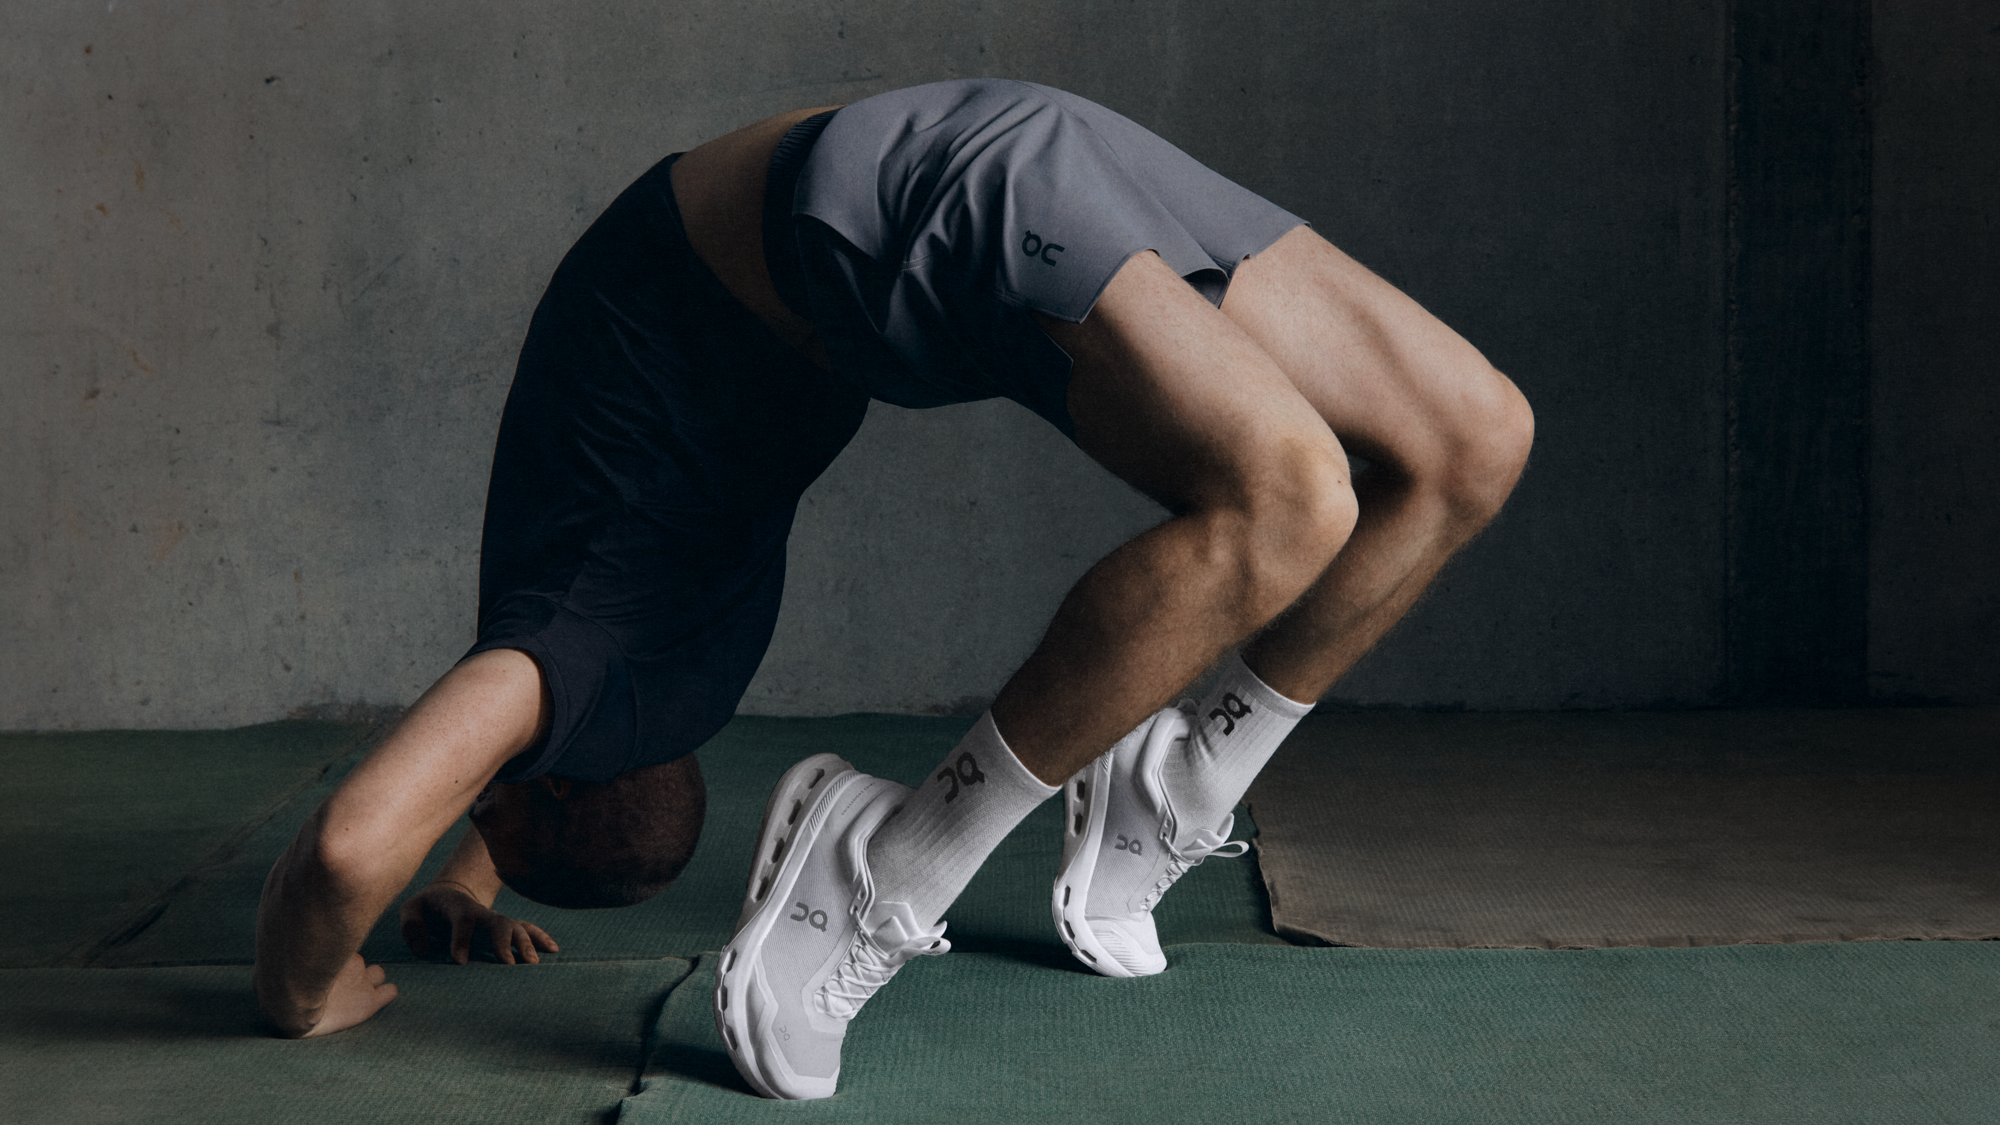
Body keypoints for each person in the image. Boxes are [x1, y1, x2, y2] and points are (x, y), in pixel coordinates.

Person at [252, 81, 1533, 1097]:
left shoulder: (569, 646)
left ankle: (890, 863)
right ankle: (1180, 781)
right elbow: (506, 783)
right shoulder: (624, 662)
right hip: (993, 137)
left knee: (1292, 499)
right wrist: (465, 883)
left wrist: (306, 990)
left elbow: (356, 840)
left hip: (897, 192)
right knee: (1470, 441)